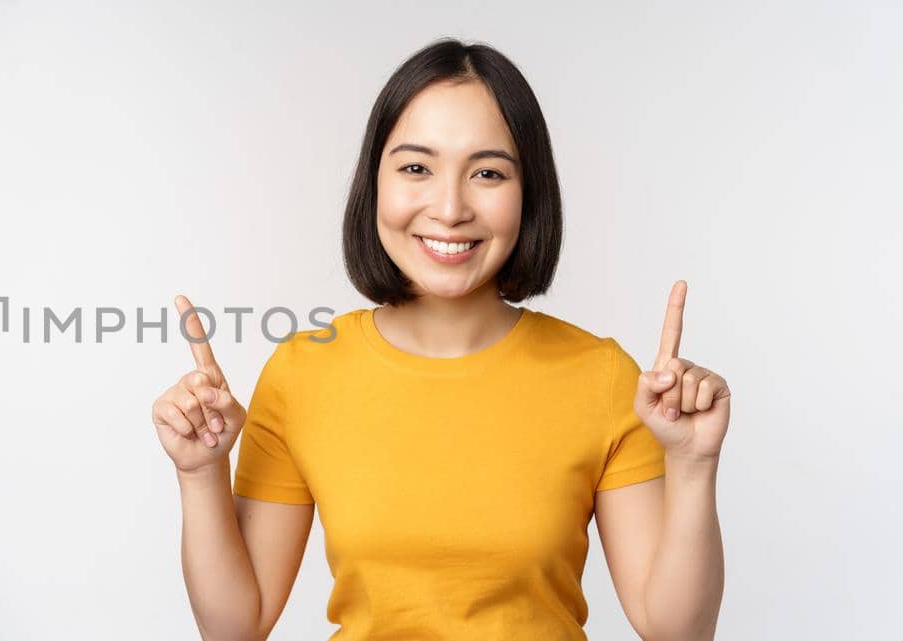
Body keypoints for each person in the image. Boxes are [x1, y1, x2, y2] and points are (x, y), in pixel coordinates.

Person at [151, 38, 729, 641]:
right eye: (416, 168)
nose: (450, 208)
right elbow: (234, 627)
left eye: (487, 173)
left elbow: (676, 633)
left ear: (528, 192)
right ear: (374, 181)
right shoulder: (303, 373)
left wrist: (692, 465)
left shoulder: (603, 376)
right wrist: (200, 474)